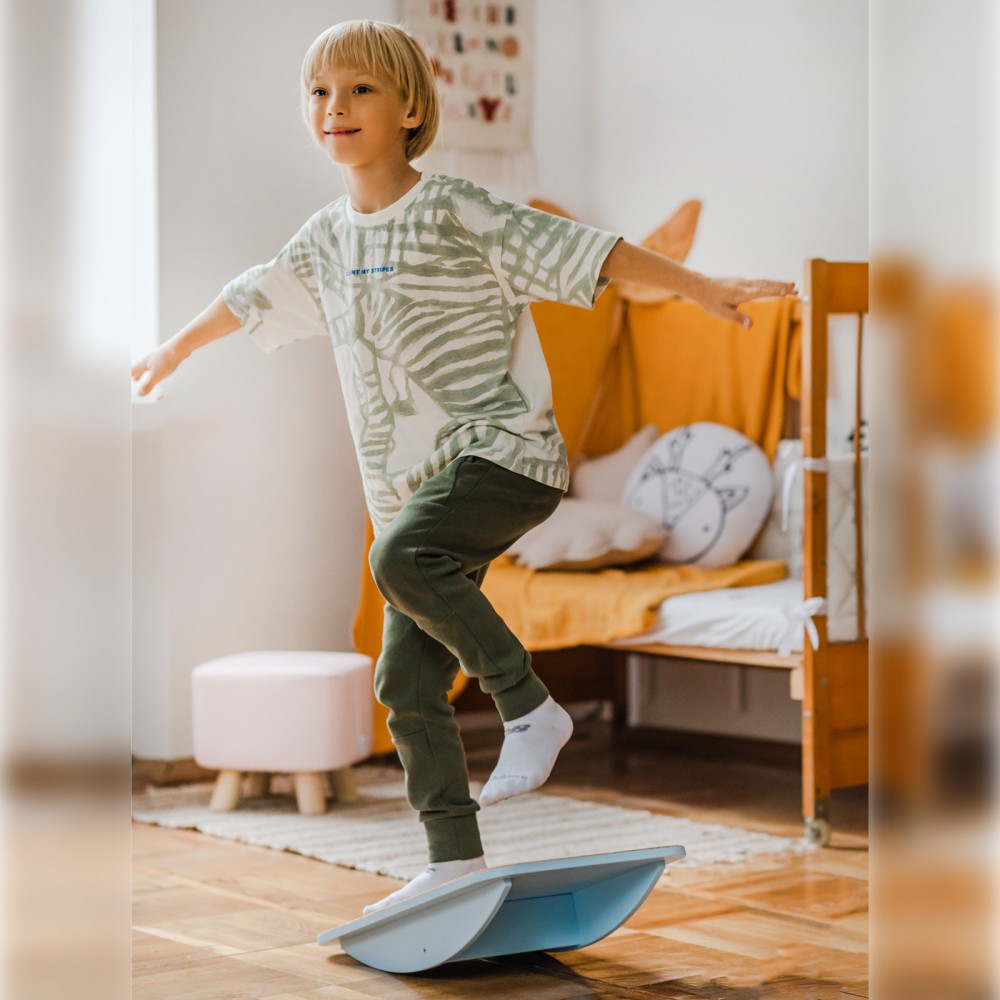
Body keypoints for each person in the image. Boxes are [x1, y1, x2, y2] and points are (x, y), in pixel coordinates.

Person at [131, 18, 797, 915]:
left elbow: (585, 251)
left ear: (410, 106)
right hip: (417, 494)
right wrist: (173, 349)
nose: (337, 107)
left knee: (397, 558)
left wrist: (700, 286)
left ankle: (529, 707)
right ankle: (454, 864)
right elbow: (253, 294)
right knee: (402, 679)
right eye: (321, 93)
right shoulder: (327, 240)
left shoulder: (455, 209)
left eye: (361, 88)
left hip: (504, 452)